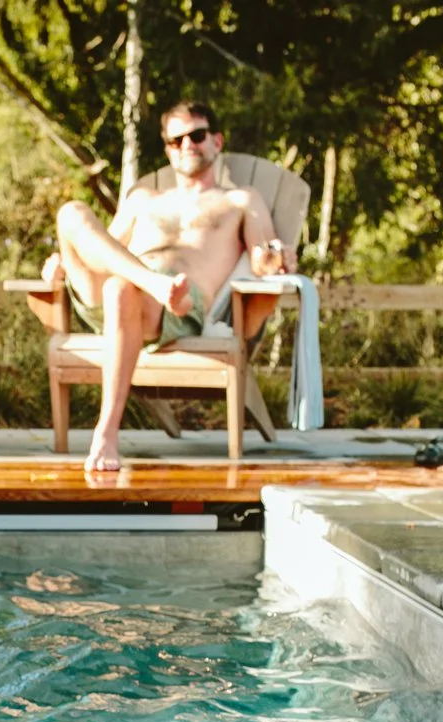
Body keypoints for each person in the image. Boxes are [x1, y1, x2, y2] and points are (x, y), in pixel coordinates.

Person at [41, 99, 300, 473]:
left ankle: (106, 435)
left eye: (196, 135)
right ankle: (151, 282)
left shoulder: (241, 200)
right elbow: (104, 247)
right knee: (70, 213)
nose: (187, 146)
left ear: (217, 141)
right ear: (167, 149)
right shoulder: (143, 199)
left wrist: (277, 257)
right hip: (122, 288)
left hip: (175, 301)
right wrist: (63, 265)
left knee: (120, 289)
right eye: (176, 140)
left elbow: (263, 257)